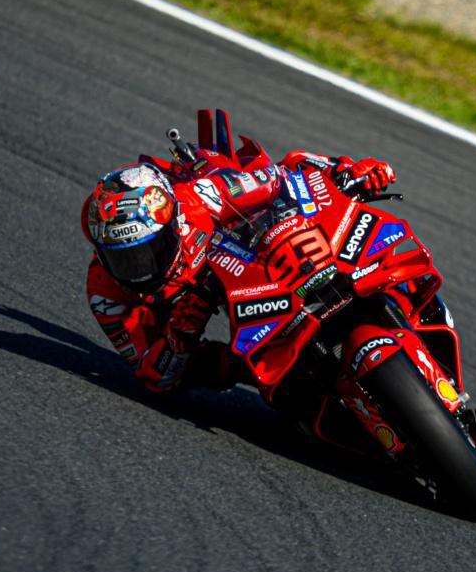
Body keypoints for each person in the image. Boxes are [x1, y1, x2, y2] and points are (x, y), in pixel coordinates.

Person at [81, 112, 395, 393]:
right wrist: (180, 333)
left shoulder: (199, 200)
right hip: (205, 322)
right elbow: (154, 376)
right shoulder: (104, 294)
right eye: (123, 259)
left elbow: (282, 176)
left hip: (254, 269)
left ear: (172, 225)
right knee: (222, 371)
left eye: (147, 251)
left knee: (293, 181)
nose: (139, 269)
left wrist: (346, 173)